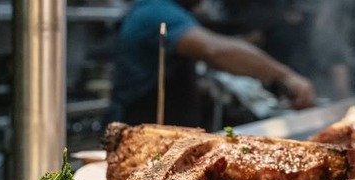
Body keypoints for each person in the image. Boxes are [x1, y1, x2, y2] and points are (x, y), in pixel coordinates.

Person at [109, 0, 315, 128]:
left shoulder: (172, 11)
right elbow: (216, 51)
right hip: (139, 132)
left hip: (165, 134)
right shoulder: (156, 10)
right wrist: (286, 75)